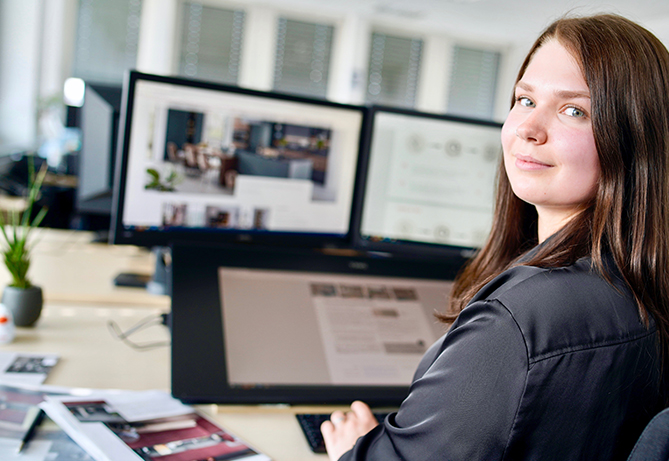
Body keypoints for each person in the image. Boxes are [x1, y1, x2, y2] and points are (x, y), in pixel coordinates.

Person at [321, 13, 669, 461]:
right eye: (525, 100)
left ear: (634, 138)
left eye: (573, 110)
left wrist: (355, 449)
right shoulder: (643, 291)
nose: (528, 128)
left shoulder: (518, 321)